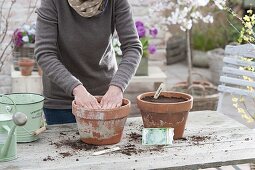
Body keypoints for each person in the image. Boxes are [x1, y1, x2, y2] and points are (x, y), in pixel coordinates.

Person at [35, 0, 142, 125]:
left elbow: (132, 47)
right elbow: (45, 53)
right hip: (61, 102)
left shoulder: (116, 2)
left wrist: (117, 87)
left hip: (104, 99)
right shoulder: (53, 2)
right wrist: (77, 89)